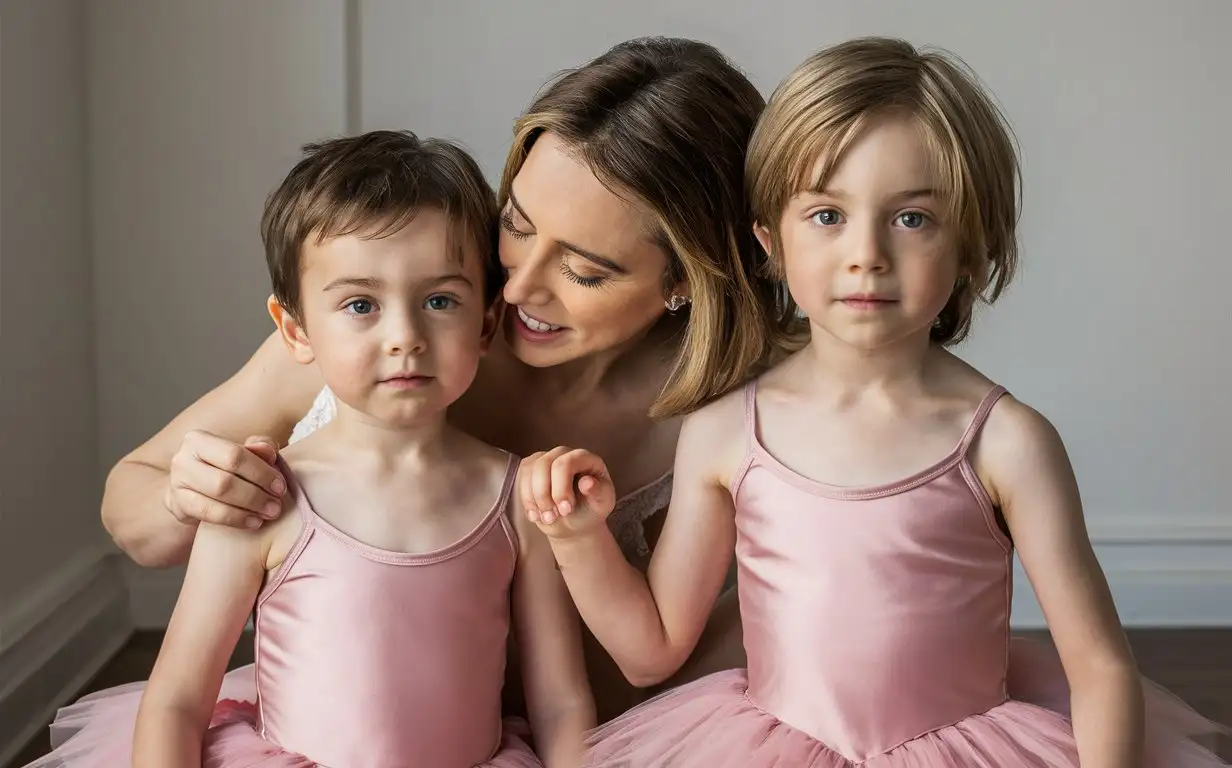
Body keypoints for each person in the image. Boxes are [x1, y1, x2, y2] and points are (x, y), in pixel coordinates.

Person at [520, 37, 1230, 767]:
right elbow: (651, 651)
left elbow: (1101, 669)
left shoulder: (1006, 442)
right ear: (771, 241)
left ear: (971, 248)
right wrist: (578, 536)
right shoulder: (727, 431)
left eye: (912, 218)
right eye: (827, 216)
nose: (867, 254)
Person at [99, 37, 798, 722]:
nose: (517, 286)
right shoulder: (381, 337)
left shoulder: (733, 408)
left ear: (686, 279)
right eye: (517, 225)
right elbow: (133, 518)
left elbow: (659, 659)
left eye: (583, 270)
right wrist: (185, 496)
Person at [29, 131, 594, 767]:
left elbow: (560, 704)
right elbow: (178, 701)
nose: (404, 337)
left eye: (440, 300)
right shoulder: (265, 496)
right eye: (360, 304)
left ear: (486, 323)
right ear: (296, 331)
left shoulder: (519, 499)